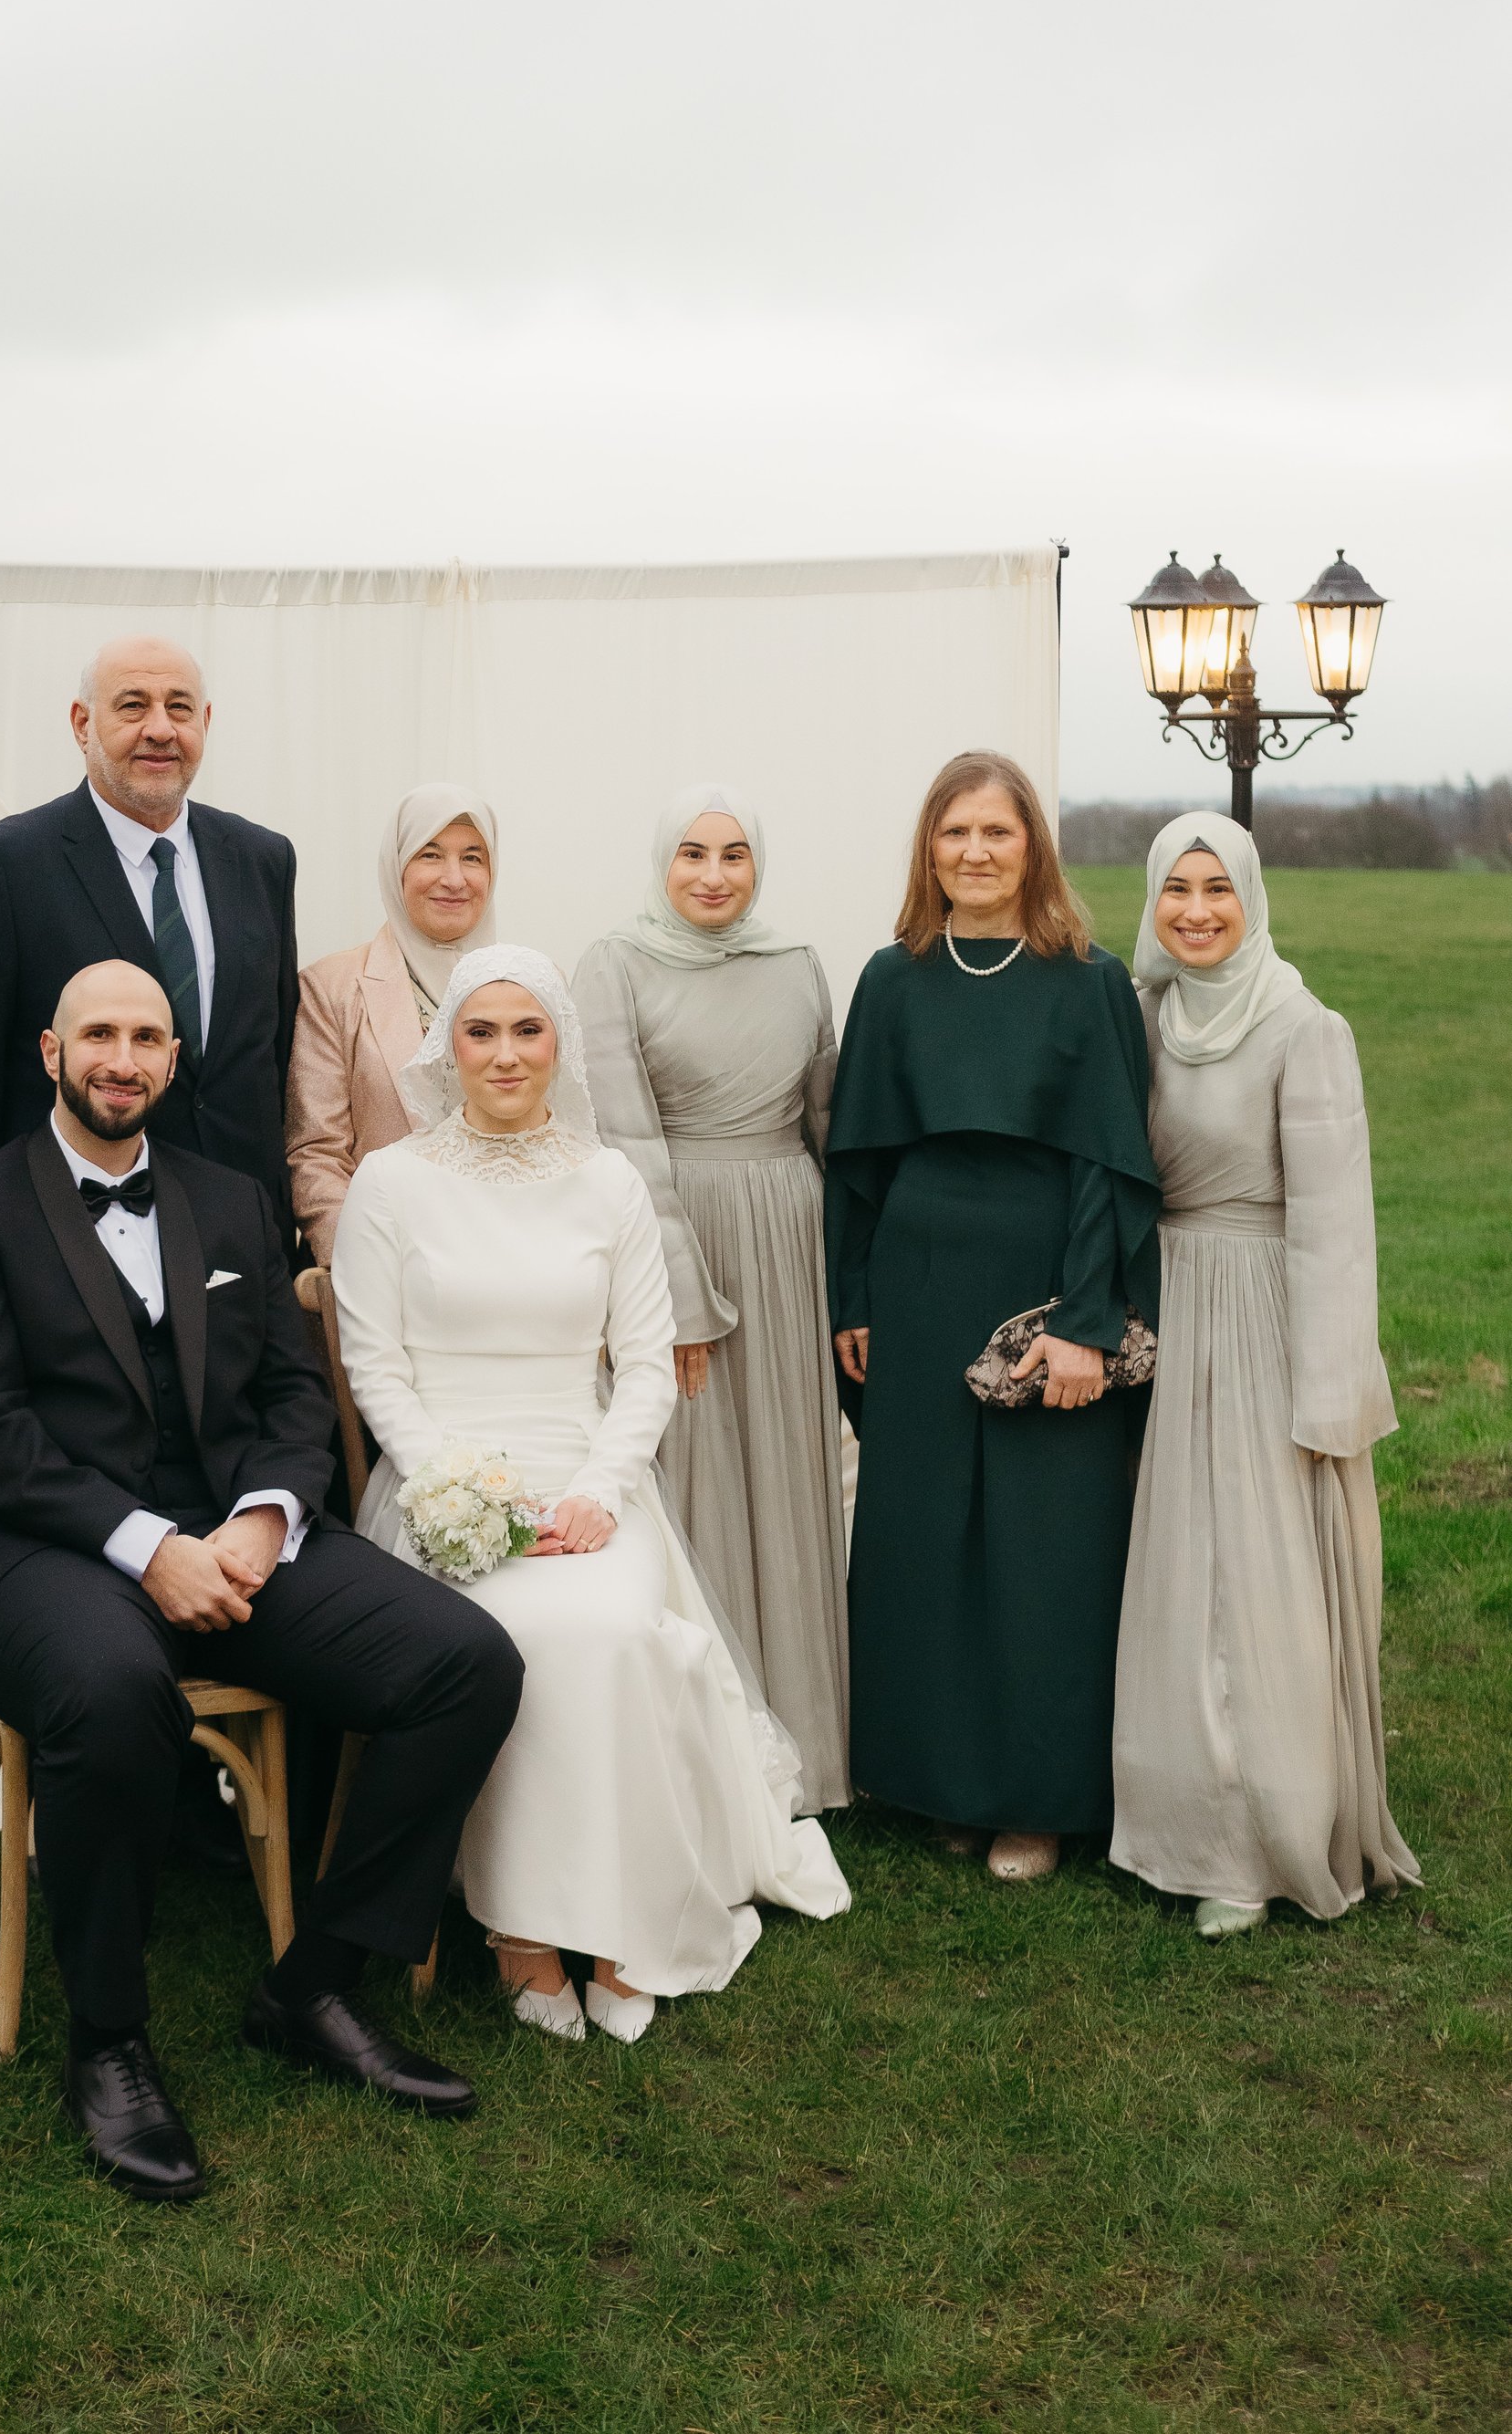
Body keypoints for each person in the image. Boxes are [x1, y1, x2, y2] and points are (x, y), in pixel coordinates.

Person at [0, 958, 523, 2203]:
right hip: (27, 1544)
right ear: (50, 1051)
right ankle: (110, 2042)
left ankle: (317, 1982)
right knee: (118, 1683)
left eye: (146, 1036)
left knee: (465, 1662)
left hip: (231, 1530)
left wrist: (262, 1515)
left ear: (174, 1058)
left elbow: (294, 1393)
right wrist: (148, 1544)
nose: (121, 1057)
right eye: (98, 1035)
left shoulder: (233, 1202)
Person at [333, 945, 850, 2048]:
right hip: (439, 1484)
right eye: (482, 1030)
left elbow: (651, 1366)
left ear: (559, 1043)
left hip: (584, 1479)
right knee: (505, 1632)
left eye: (528, 1029)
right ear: (447, 1047)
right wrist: (447, 1486)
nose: (507, 1052)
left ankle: (616, 1918)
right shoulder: (390, 1179)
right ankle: (520, 1929)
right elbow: (373, 1365)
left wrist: (600, 1491)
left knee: (609, 1626)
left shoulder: (608, 1179)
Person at [827, 753, 1159, 1883]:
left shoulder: (1088, 981)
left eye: (997, 833)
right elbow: (858, 1162)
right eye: (954, 832)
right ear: (929, 847)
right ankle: (938, 1779)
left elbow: (1109, 1164)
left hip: (1040, 1276)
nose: (974, 851)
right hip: (916, 1280)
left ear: (1033, 850)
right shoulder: (891, 977)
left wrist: (1083, 1318)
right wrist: (853, 1296)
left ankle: (1038, 1795)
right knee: (919, 1537)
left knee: (1041, 1543)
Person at [1111, 816, 1419, 1936]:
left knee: (1253, 1571)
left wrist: (1326, 1393)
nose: (1194, 910)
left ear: (1251, 899)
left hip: (1259, 1318)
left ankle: (1257, 1832)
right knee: (1174, 1564)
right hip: (1167, 1301)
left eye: (1217, 890)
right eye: (1174, 889)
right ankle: (1174, 1806)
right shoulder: (1140, 1017)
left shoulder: (1304, 1026)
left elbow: (1336, 1227)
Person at [575, 790, 850, 1812]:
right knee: (692, 1487)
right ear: (662, 861)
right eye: (691, 853)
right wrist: (678, 1302)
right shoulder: (613, 962)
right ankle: (706, 1758)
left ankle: (808, 1752)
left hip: (789, 1232)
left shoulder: (797, 962)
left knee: (789, 1470)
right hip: (669, 1239)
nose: (713, 873)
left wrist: (848, 1271)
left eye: (735, 854)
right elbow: (625, 1140)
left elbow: (825, 1117)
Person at [0, 639, 299, 1228]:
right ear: (83, 723)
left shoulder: (263, 859)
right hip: (62, 1245)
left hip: (240, 1246)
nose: (160, 729)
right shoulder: (4, 866)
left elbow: (275, 1055)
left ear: (206, 722)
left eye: (180, 707)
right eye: (133, 706)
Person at [287, 785, 498, 1269]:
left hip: (506, 1263)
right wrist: (368, 1272)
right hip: (385, 1265)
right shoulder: (334, 986)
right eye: (430, 854)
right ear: (396, 865)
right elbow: (317, 1154)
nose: (454, 878)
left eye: (472, 857)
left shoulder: (527, 986)